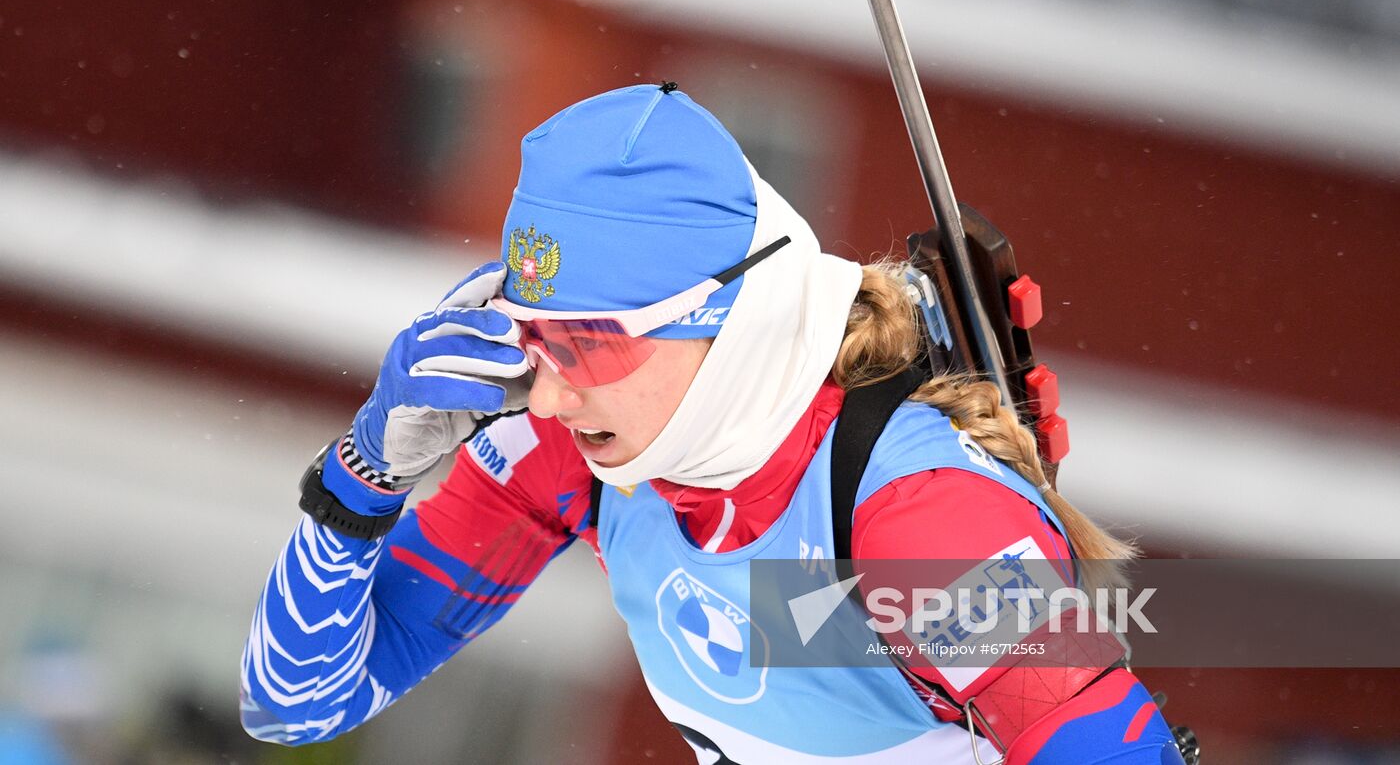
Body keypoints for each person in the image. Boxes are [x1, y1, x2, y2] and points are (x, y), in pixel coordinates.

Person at [241, 83, 1186, 763]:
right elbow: (295, 703)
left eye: (590, 346)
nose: (549, 394)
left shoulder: (921, 521)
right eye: (530, 340)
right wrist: (364, 475)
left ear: (726, 320)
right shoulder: (579, 451)